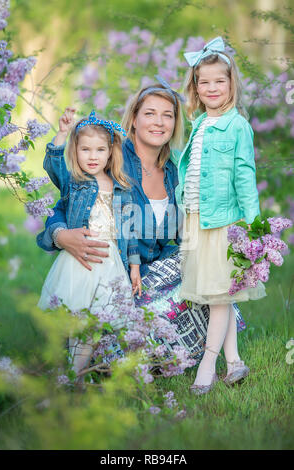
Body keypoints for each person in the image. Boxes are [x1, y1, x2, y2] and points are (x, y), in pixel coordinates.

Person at [37, 77, 247, 366]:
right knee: (116, 349)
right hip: (113, 275)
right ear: (134, 119)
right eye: (150, 113)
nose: (159, 122)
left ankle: (225, 361)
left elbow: (184, 235)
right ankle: (108, 359)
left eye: (168, 115)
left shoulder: (176, 172)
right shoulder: (111, 157)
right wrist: (60, 236)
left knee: (212, 265)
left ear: (175, 123)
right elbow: (67, 200)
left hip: (149, 275)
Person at [176, 37, 266, 395]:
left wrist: (253, 227)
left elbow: (245, 177)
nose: (212, 87)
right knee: (219, 294)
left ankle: (207, 364)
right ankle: (235, 362)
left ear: (232, 84)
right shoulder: (199, 124)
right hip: (196, 220)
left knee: (218, 295)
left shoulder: (237, 125)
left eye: (220, 80)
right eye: (204, 81)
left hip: (223, 224)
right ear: (195, 87)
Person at [38, 107, 141, 379]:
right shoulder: (74, 181)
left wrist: (134, 267)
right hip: (80, 261)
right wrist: (61, 133)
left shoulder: (120, 185)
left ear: (110, 152)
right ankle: (63, 376)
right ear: (76, 151)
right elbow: (53, 164)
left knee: (94, 323)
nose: (92, 156)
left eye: (99, 150)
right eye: (85, 150)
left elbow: (130, 232)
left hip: (109, 262)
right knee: (73, 318)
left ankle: (75, 375)